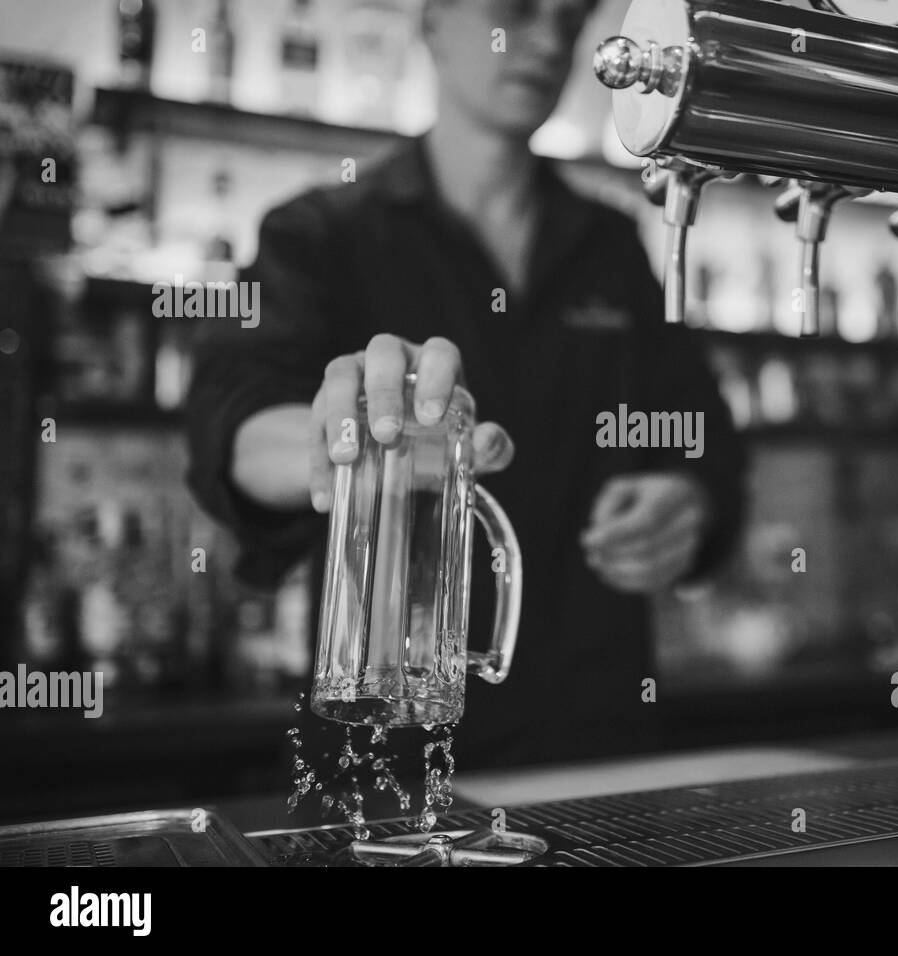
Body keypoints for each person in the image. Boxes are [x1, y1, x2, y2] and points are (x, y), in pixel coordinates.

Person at [185, 0, 746, 781]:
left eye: (571, 17)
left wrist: (687, 499)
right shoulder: (320, 235)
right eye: (516, 9)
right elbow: (228, 421)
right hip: (390, 757)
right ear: (434, 21)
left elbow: (705, 438)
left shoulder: (610, 246)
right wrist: (338, 438)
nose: (549, 40)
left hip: (600, 745)